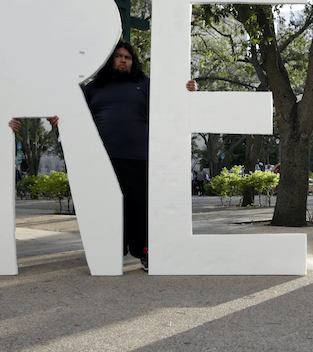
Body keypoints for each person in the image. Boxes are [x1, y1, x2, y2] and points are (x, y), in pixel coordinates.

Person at [33, 41, 195, 271]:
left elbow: (171, 104)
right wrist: (59, 120)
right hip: (102, 159)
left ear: (133, 62)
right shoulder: (93, 88)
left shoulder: (145, 84)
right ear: (110, 59)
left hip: (138, 157)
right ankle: (110, 252)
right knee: (107, 208)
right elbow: (75, 116)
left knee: (139, 208)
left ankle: (144, 252)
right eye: (118, 56)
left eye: (128, 57)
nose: (123, 60)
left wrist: (187, 90)